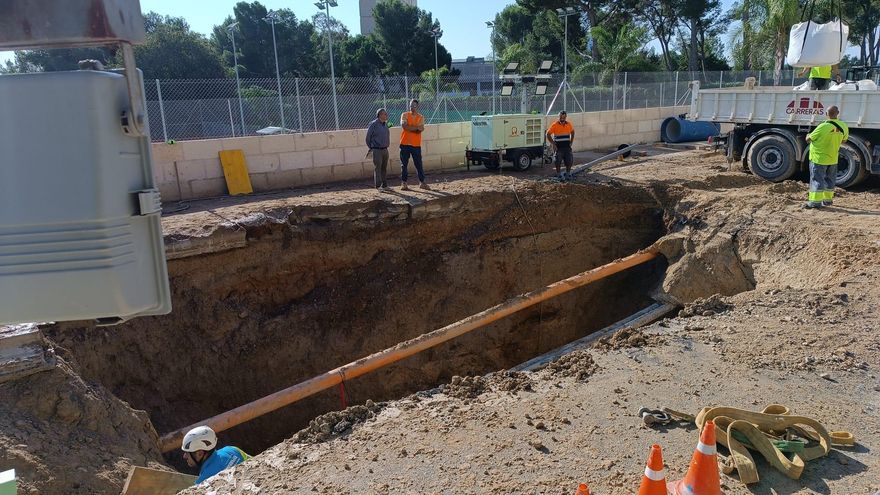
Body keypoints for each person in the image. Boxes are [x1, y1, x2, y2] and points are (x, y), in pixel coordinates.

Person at [805, 105, 848, 209]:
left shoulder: (822, 126)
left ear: (826, 114)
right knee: (830, 180)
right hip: (833, 158)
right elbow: (844, 140)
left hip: (819, 158)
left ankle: (815, 202)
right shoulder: (843, 126)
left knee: (817, 180)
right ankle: (827, 201)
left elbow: (809, 139)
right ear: (837, 113)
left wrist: (808, 135)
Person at [181, 425, 250, 485]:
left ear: (200, 453)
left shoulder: (203, 482)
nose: (184, 456)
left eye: (187, 453)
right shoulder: (232, 450)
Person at [399, 99, 430, 190]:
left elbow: (420, 129)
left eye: (414, 106)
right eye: (410, 106)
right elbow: (404, 126)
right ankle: (404, 183)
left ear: (418, 107)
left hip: (416, 145)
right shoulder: (404, 115)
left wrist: (410, 127)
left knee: (418, 164)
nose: (412, 108)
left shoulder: (421, 117)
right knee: (404, 164)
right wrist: (416, 128)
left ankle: (422, 182)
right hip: (404, 144)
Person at [366, 108, 390, 191]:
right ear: (380, 115)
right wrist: (372, 147)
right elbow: (368, 138)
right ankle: (378, 186)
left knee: (384, 168)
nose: (386, 115)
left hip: (385, 149)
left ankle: (385, 185)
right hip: (377, 150)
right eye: (385, 114)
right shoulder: (373, 124)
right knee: (378, 168)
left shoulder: (385, 124)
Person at [547, 111, 575, 180]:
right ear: (559, 117)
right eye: (561, 117)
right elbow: (548, 134)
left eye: (564, 117)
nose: (562, 118)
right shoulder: (555, 125)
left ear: (565, 117)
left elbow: (572, 132)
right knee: (557, 161)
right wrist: (553, 143)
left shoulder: (568, 124)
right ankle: (559, 175)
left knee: (569, 161)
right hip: (558, 148)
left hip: (567, 147)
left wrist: (571, 142)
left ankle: (568, 174)